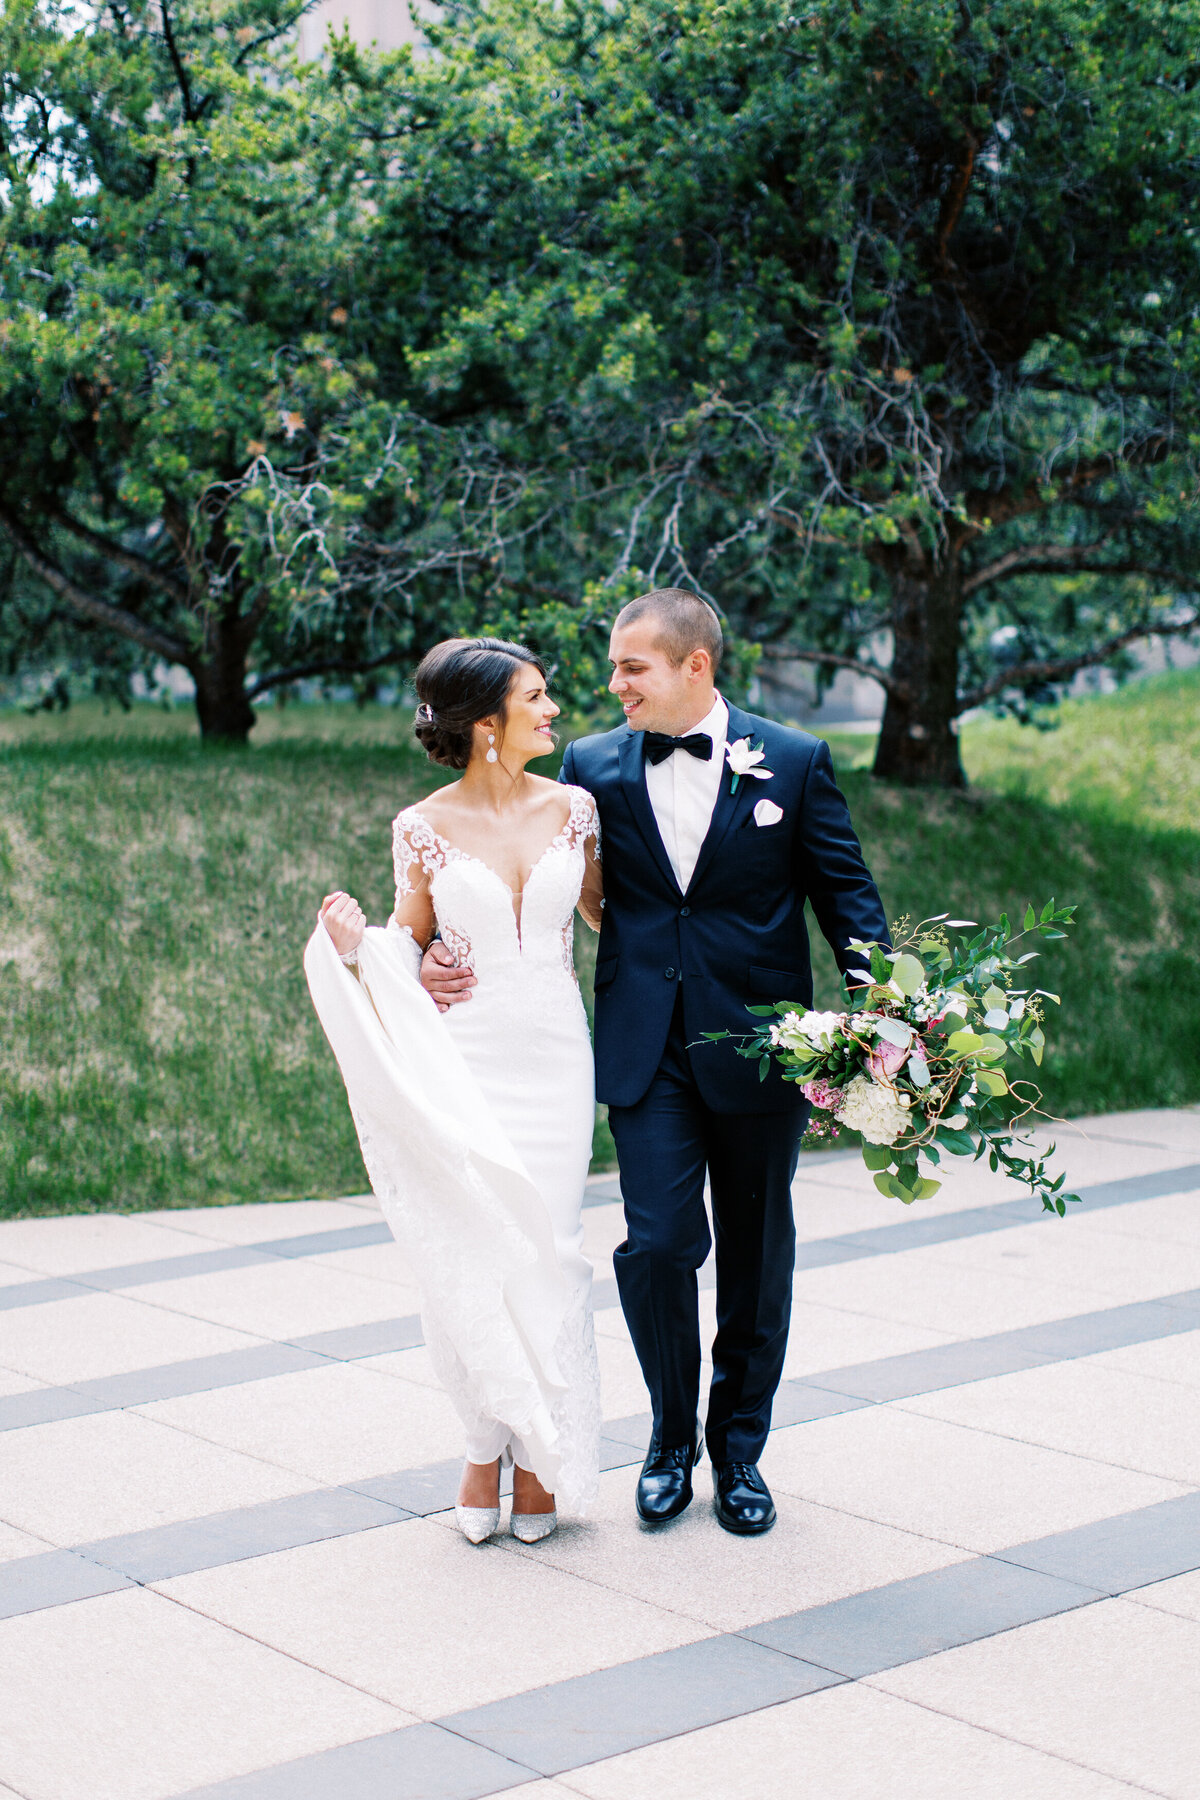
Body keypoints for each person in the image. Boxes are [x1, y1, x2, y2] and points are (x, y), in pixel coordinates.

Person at [424, 590, 889, 1536]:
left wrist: (890, 1016)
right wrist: (442, 949)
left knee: (757, 1259)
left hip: (763, 1047)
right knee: (660, 1244)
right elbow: (551, 884)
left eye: (631, 667)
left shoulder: (794, 763)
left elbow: (847, 898)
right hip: (646, 1051)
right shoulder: (592, 768)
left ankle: (741, 1452)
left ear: (694, 666)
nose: (612, 685)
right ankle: (670, 1439)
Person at [307, 638, 603, 1545]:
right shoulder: (420, 826)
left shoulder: (577, 807)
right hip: (466, 1059)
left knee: (551, 1243)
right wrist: (364, 948)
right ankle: (484, 1447)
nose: (554, 711)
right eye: (537, 697)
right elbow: (411, 938)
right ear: (487, 726)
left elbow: (606, 912)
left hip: (557, 1054)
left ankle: (547, 1450)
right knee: (474, 1246)